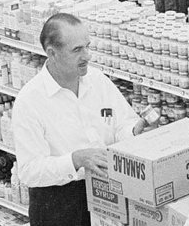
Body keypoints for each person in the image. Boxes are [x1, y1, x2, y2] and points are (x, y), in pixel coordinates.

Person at [12, 13, 146, 226]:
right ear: (52, 53)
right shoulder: (30, 101)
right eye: (77, 50)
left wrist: (134, 132)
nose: (87, 56)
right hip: (59, 203)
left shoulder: (97, 80)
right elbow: (29, 171)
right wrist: (74, 160)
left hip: (105, 191)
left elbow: (122, 124)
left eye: (87, 46)